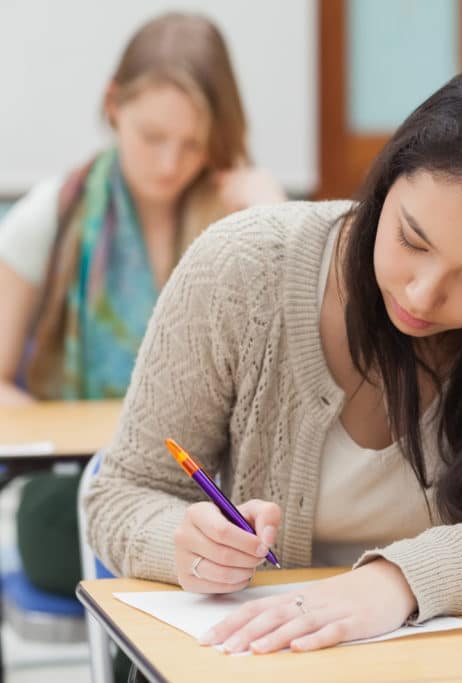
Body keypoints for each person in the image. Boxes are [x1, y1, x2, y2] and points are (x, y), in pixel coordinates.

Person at [85, 58, 462, 653]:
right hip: (259, 659)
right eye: (411, 241)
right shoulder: (244, 267)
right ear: (388, 179)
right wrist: (185, 546)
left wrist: (398, 583)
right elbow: (121, 494)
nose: (421, 294)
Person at [0, 12, 284, 604]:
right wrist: (123, 437)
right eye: (152, 137)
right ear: (113, 107)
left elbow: (292, 378)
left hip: (228, 489)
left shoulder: (244, 218)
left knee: (255, 538)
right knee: (60, 529)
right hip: (91, 483)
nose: (167, 164)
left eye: (191, 145)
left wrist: (274, 219)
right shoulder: (49, 219)